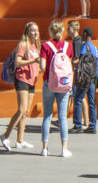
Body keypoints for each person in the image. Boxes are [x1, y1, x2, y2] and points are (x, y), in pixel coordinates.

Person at [2, 22, 41, 150]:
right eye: (32, 30)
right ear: (27, 32)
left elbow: (37, 64)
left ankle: (20, 140)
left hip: (32, 80)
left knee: (26, 112)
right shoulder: (24, 45)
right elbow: (18, 62)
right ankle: (5, 136)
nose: (35, 33)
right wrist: (33, 61)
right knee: (21, 110)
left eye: (36, 30)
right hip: (22, 79)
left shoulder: (35, 46)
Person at [38, 19, 73, 157]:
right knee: (63, 117)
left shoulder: (45, 45)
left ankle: (44, 149)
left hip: (49, 83)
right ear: (63, 30)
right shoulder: (68, 46)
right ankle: (64, 149)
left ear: (50, 31)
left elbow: (42, 67)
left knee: (47, 116)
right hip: (64, 84)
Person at [71, 27, 98, 134]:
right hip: (93, 78)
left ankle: (77, 125)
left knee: (78, 99)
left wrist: (74, 63)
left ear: (84, 34)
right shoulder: (95, 48)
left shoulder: (85, 46)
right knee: (92, 102)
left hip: (85, 79)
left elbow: (81, 61)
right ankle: (92, 126)